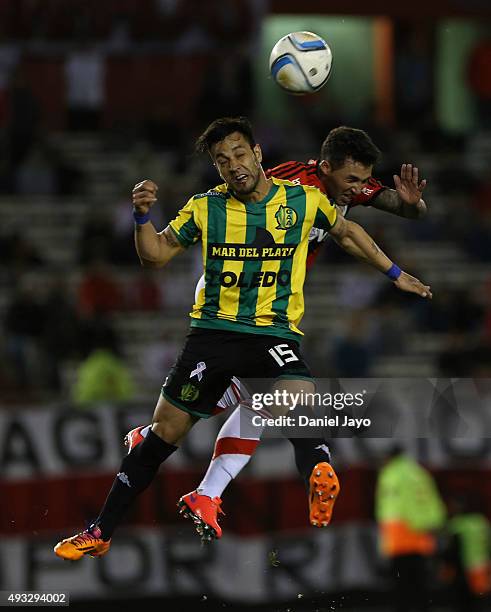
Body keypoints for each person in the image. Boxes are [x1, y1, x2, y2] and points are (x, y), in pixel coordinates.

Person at [54, 116, 431, 560]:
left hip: (271, 328)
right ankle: (102, 530)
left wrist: (396, 272)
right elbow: (154, 256)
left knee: (295, 396)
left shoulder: (306, 199)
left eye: (238, 154)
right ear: (217, 167)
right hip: (213, 326)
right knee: (164, 435)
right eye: (221, 160)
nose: (232, 165)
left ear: (256, 153)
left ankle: (314, 469)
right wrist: (141, 217)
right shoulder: (209, 205)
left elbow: (351, 231)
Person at [375, 445, 446, 612]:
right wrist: (432, 523)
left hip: (400, 536)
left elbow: (394, 507)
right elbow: (431, 500)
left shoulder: (391, 474)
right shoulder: (418, 472)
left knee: (402, 584)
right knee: (420, 580)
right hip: (420, 534)